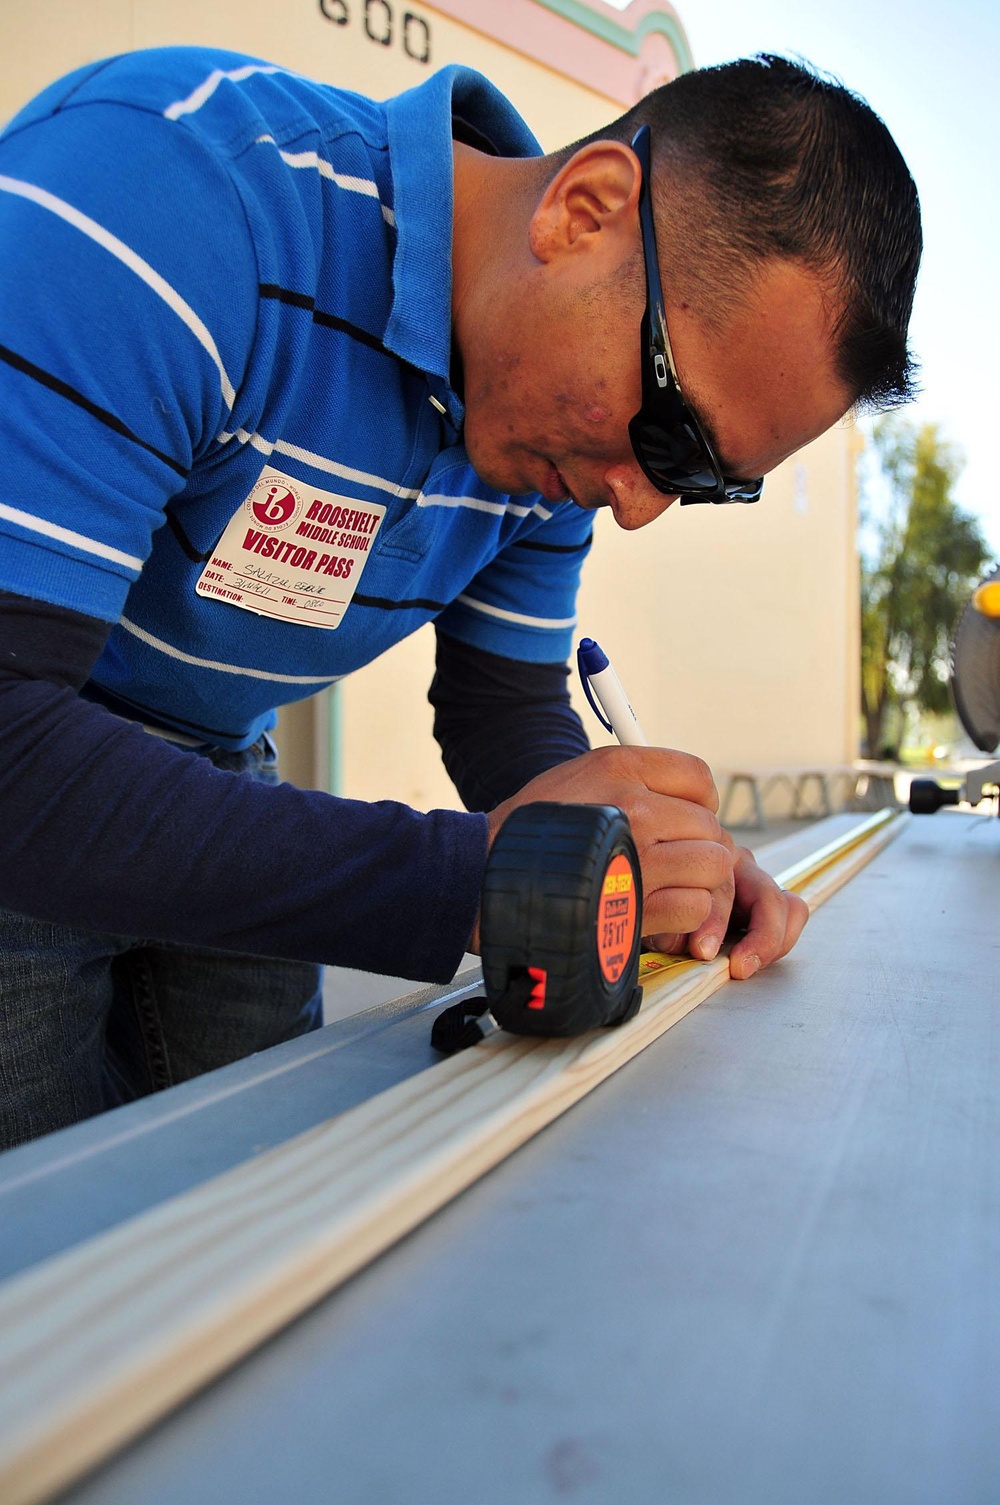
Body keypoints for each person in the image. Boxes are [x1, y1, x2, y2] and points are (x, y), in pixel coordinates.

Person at [0, 47, 921, 1149]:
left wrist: (639, 856)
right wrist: (461, 880)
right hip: (33, 766)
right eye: (669, 431)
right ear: (584, 212)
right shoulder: (171, 190)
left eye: (704, 479)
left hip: (213, 765)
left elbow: (504, 717)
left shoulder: (555, 438)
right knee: (51, 1259)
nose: (636, 508)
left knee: (262, 1192)